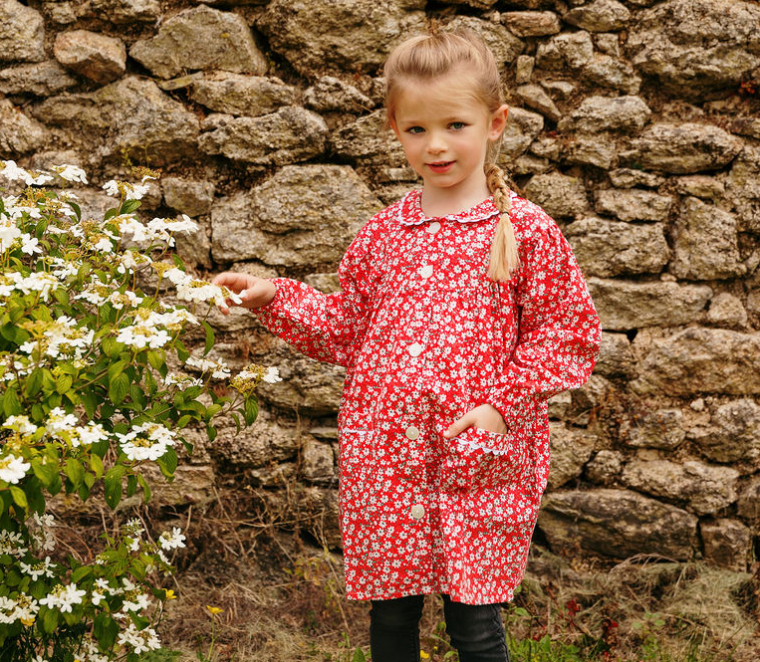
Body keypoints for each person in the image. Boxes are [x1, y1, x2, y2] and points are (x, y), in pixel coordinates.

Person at [212, 28, 601, 662]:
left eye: (455, 124)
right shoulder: (383, 234)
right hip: (385, 455)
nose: (437, 145)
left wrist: (502, 403)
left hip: (477, 457)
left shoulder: (526, 232)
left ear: (495, 123)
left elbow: (566, 335)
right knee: (390, 618)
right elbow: (349, 329)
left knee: (473, 623)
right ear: (395, 128)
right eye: (417, 129)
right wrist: (274, 296)